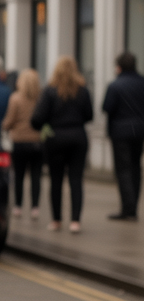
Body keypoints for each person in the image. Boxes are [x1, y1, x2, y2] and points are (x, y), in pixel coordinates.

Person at [32, 55, 93, 233]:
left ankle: (56, 220)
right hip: (78, 137)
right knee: (76, 180)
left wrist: (45, 127)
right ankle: (75, 221)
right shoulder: (83, 90)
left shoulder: (50, 91)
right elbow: (89, 115)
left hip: (56, 138)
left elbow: (37, 118)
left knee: (56, 180)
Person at [102, 51, 144, 220]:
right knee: (135, 168)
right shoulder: (142, 83)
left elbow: (107, 107)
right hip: (139, 131)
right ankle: (133, 207)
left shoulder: (115, 86)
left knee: (123, 170)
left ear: (119, 67)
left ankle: (128, 208)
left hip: (120, 132)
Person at [2, 68, 43, 219]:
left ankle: (18, 206)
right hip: (38, 141)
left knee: (19, 175)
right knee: (36, 176)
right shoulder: (41, 98)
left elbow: (9, 120)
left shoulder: (15, 98)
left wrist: (5, 126)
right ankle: (35, 207)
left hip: (19, 141)